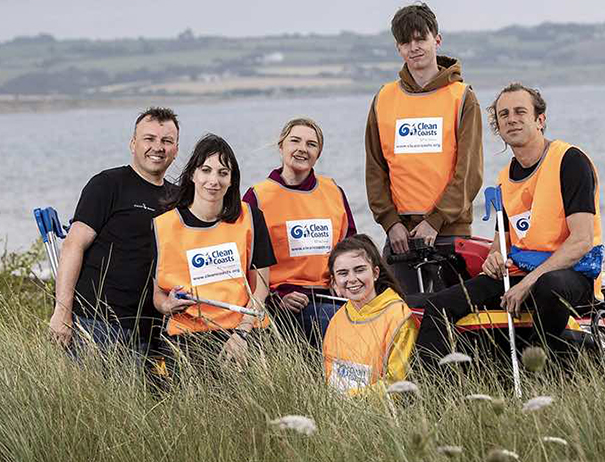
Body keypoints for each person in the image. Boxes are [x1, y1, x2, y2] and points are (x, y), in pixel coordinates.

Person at [416, 82, 604, 363]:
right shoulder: (504, 177)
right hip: (521, 273)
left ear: (540, 120)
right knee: (440, 304)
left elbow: (581, 241)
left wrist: (529, 280)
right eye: (503, 115)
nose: (511, 119)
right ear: (498, 127)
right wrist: (493, 259)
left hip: (572, 274)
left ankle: (539, 374)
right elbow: (501, 244)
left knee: (548, 286)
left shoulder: (569, 160)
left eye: (520, 112)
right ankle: (430, 390)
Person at [365, 2, 484, 293]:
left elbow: (468, 173)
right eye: (406, 41)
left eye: (421, 39)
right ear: (398, 48)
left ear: (437, 40)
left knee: (451, 324)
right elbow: (375, 169)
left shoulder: (462, 98)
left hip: (449, 230)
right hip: (399, 235)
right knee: (398, 319)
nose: (414, 47)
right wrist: (391, 223)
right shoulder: (384, 98)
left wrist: (435, 220)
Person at [48, 107, 180, 355]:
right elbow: (73, 245)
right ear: (133, 144)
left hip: (150, 330)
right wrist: (62, 310)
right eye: (149, 139)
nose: (158, 147)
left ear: (176, 149)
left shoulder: (178, 199)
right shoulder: (108, 184)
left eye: (166, 141)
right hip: (96, 324)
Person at [153, 134, 276, 363]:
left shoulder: (250, 217)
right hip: (187, 335)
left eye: (223, 173)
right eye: (206, 170)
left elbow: (261, 288)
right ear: (192, 174)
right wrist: (167, 305)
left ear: (231, 180)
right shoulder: (165, 225)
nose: (214, 180)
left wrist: (242, 333)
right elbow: (157, 296)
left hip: (244, 330)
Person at [243, 118, 356, 343]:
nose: (302, 149)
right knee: (338, 330)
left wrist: (342, 281)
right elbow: (244, 262)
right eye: (295, 141)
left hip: (332, 294)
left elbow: (352, 247)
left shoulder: (333, 191)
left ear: (319, 153)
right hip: (284, 302)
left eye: (311, 144)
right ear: (281, 146)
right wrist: (276, 298)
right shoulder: (257, 196)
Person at [323, 234, 417, 396]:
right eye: (343, 273)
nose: (352, 279)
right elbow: (329, 374)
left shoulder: (399, 317)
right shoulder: (337, 319)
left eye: (359, 270)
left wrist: (350, 398)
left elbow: (397, 384)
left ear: (375, 273)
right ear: (334, 283)